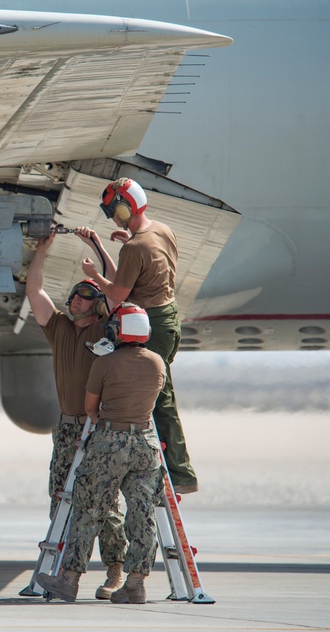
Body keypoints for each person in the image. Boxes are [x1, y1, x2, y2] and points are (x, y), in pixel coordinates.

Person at [37, 302, 166, 604]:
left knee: (89, 509)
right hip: (145, 444)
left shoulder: (105, 363)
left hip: (110, 442)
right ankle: (135, 584)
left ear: (117, 331)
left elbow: (90, 408)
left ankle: (69, 581)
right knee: (142, 513)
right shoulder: (158, 363)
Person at [79, 177, 198, 493]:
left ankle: (181, 473)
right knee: (157, 392)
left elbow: (117, 295)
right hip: (169, 317)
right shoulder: (161, 230)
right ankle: (169, 467)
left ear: (123, 208)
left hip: (153, 325)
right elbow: (145, 270)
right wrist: (116, 247)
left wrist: (94, 276)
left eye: (113, 210)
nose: (113, 216)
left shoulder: (134, 247)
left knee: (160, 397)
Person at [25, 232, 127, 600]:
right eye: (72, 296)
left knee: (104, 501)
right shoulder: (60, 329)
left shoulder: (106, 330)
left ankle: (115, 569)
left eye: (84, 296)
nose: (75, 301)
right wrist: (41, 251)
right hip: (67, 428)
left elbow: (119, 292)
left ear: (96, 303)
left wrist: (98, 251)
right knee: (59, 497)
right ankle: (58, 572)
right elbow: (35, 293)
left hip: (97, 428)